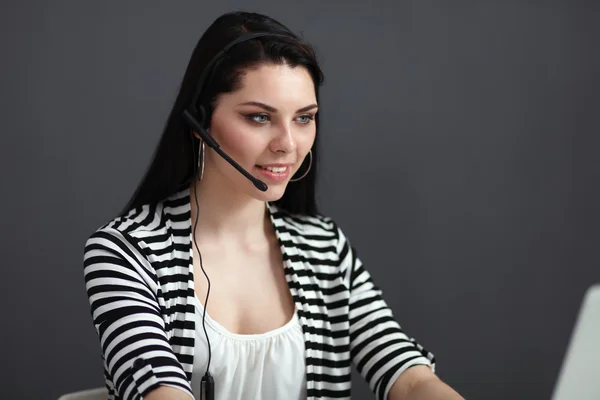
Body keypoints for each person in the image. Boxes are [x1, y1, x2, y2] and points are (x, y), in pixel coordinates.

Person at [83, 10, 464, 400]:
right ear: (200, 121)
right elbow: (159, 391)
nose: (288, 144)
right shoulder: (127, 252)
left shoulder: (324, 246)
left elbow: (411, 377)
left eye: (303, 119)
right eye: (260, 117)